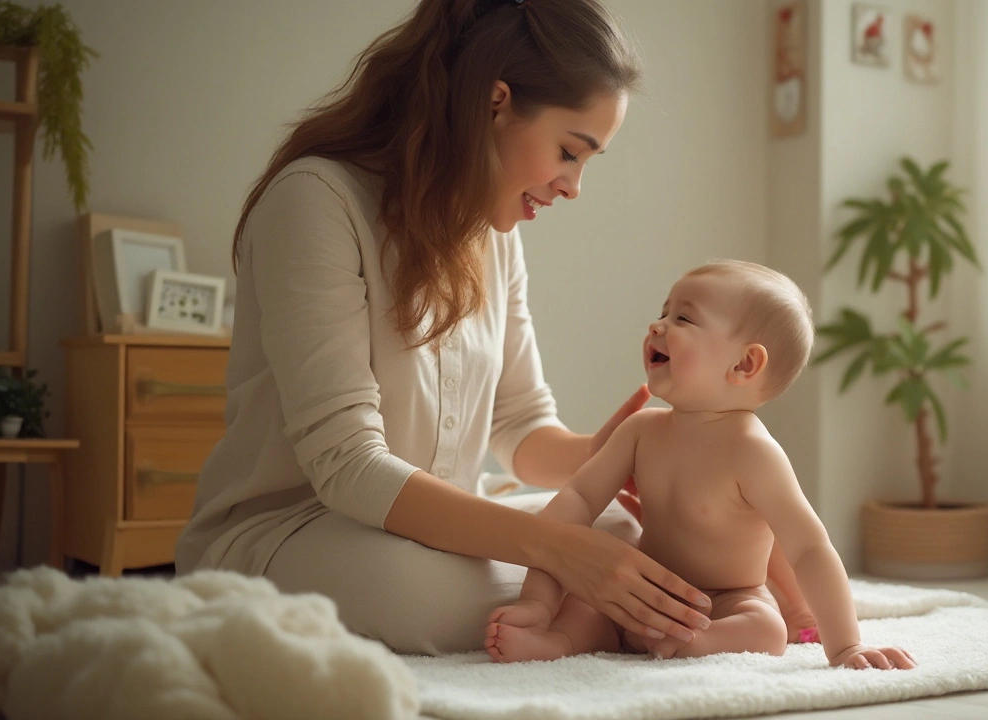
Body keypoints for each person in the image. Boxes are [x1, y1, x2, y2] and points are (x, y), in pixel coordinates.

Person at [174, 0, 716, 655]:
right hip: (294, 528)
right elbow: (346, 466)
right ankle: (581, 614)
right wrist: (558, 550)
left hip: (437, 527)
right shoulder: (316, 201)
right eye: (570, 152)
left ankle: (570, 613)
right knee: (421, 595)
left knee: (631, 539)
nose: (573, 187)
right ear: (496, 102)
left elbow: (519, 427)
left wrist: (611, 453)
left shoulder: (495, 237)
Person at [485, 261, 917, 670]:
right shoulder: (640, 431)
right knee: (583, 598)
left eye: (684, 320)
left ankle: (697, 643)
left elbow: (809, 548)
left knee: (768, 628)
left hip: (730, 598)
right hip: (642, 590)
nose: (658, 325)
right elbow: (576, 502)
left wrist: (846, 644)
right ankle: (556, 641)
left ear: (744, 364)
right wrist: (538, 602)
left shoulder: (753, 452)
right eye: (663, 312)